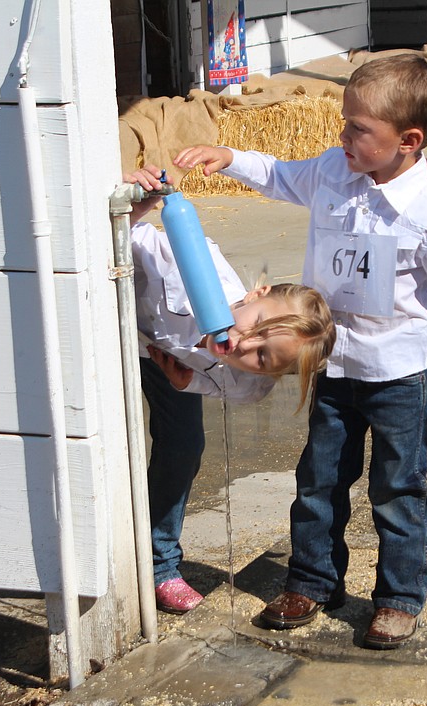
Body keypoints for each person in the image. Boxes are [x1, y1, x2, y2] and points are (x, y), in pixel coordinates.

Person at [174, 53, 427, 649]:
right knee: (318, 481)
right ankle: (312, 582)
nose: (343, 136)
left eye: (359, 129)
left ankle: (397, 597)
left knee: (398, 488)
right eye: (345, 122)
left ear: (408, 141)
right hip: (333, 368)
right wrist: (230, 158)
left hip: (398, 373)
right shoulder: (333, 174)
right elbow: (280, 174)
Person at [124, 165, 336, 615]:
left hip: (164, 364)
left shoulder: (250, 385)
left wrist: (190, 379)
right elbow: (124, 235)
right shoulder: (188, 259)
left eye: (262, 357)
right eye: (256, 324)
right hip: (108, 334)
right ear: (253, 294)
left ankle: (160, 565)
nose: (243, 345)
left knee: (183, 446)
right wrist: (134, 204)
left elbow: (220, 383)